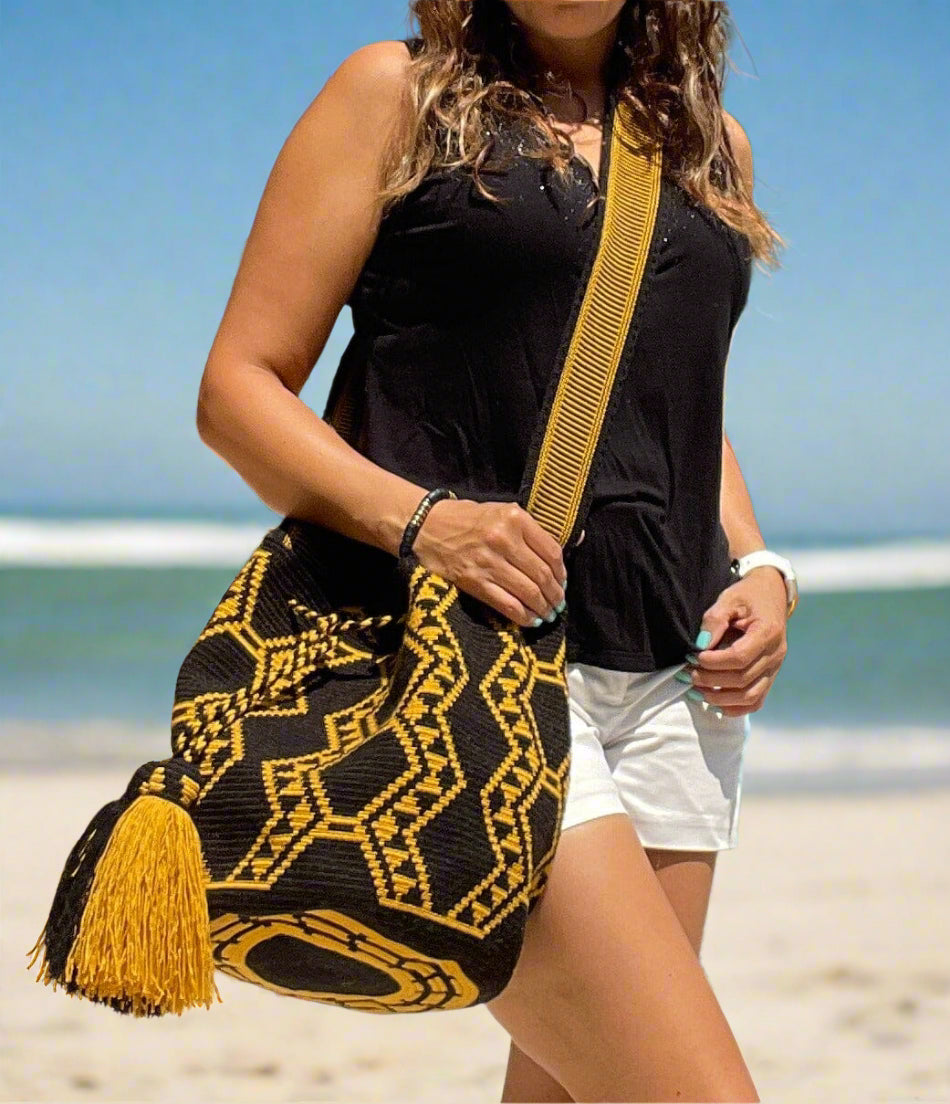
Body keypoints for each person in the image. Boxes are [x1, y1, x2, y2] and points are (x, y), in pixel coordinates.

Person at [195, 2, 794, 1099]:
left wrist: (759, 564)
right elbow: (237, 389)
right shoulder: (397, 93)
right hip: (484, 665)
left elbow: (670, 405)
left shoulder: (708, 143)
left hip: (675, 686)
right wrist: (425, 521)